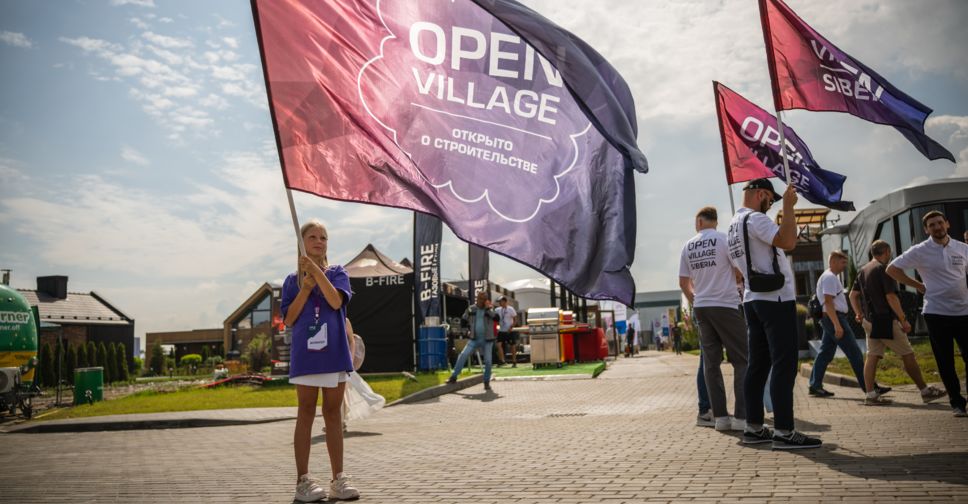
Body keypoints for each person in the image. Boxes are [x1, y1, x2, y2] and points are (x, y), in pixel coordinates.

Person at [727, 178, 821, 449]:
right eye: (771, 199)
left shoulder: (733, 225)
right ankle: (784, 431)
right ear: (760, 194)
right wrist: (789, 208)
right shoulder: (756, 219)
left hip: (752, 299)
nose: (771, 205)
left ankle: (754, 427)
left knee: (757, 366)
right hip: (775, 298)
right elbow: (788, 241)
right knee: (784, 364)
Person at [281, 219, 360, 502]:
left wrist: (315, 271)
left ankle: (338, 478)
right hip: (306, 356)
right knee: (305, 411)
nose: (319, 241)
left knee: (332, 413)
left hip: (334, 352)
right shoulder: (291, 281)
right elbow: (289, 319)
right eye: (312, 237)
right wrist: (305, 288)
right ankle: (303, 481)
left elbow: (336, 302)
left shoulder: (338, 273)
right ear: (301, 243)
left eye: (323, 238)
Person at [887, 211, 968, 417]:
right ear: (926, 229)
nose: (937, 227)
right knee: (945, 361)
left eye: (940, 223)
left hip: (964, 311)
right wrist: (917, 285)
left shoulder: (962, 248)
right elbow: (892, 269)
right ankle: (957, 403)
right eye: (932, 225)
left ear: (947, 224)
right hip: (936, 313)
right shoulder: (920, 250)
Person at [850, 240, 947, 406]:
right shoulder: (884, 269)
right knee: (907, 354)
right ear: (887, 252)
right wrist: (903, 319)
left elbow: (853, 295)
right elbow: (891, 297)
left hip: (869, 321)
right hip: (886, 321)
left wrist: (858, 313)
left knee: (872, 356)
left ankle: (870, 395)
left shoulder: (863, 270)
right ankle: (925, 391)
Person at [679, 206, 749, 432]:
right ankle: (741, 417)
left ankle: (720, 418)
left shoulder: (687, 246)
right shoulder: (724, 240)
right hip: (726, 304)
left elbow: (683, 282)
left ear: (700, 222)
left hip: (702, 307)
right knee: (742, 359)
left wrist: (695, 299)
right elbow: (740, 271)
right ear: (715, 222)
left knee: (711, 364)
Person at [807, 250, 869, 398]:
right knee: (855, 353)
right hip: (834, 318)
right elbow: (828, 302)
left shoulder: (830, 277)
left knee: (825, 353)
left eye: (845, 262)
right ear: (833, 261)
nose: (845, 266)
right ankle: (870, 387)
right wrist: (837, 325)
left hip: (831, 318)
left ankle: (815, 385)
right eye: (842, 262)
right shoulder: (829, 277)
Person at [446, 291, 500, 391]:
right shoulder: (471, 309)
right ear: (477, 299)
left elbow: (497, 318)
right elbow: (463, 320)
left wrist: (488, 309)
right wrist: (466, 330)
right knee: (463, 355)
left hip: (487, 340)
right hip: (474, 338)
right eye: (481, 298)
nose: (482, 301)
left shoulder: (490, 309)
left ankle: (486, 381)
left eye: (484, 299)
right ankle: (454, 376)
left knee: (488, 361)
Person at [494, 296, 518, 367]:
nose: (499, 303)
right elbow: (495, 319)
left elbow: (515, 319)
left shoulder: (510, 309)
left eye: (501, 301)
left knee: (512, 345)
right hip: (501, 330)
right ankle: (502, 360)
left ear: (505, 302)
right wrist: (497, 327)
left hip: (509, 330)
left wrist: (511, 327)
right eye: (499, 302)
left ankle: (514, 361)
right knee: (498, 345)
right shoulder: (497, 310)